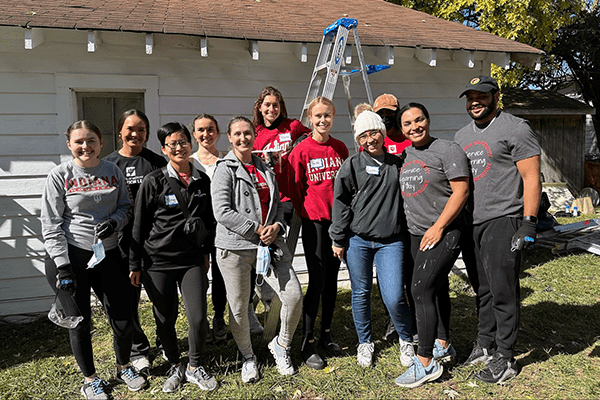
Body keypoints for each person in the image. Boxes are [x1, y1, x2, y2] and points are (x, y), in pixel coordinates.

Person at [42, 120, 147, 400]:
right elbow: (51, 224)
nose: (85, 146)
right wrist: (63, 265)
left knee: (123, 319)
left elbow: (126, 206)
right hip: (71, 256)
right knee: (80, 322)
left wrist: (114, 222)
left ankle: (123, 367)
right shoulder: (59, 175)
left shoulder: (112, 171)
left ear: (101, 143)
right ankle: (90, 379)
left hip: (108, 254)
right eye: (79, 142)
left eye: (91, 141)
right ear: (69, 145)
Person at [454, 76, 541, 384]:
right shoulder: (462, 136)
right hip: (472, 223)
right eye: (471, 97)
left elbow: (531, 177)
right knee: (483, 289)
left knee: (503, 290)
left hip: (504, 219)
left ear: (496, 96)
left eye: (482, 96)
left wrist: (529, 222)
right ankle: (485, 343)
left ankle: (505, 357)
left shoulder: (515, 128)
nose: (475, 101)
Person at [211, 116, 303, 382]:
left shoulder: (264, 166)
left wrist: (276, 226)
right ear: (229, 137)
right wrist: (256, 229)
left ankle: (282, 345)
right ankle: (248, 357)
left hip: (270, 245)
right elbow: (222, 212)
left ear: (254, 135)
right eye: (237, 134)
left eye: (247, 133)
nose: (243, 138)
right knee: (239, 307)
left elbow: (276, 205)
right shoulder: (224, 169)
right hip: (235, 248)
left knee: (294, 296)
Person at [130, 122, 217, 393]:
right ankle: (175, 363)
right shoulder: (153, 181)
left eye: (183, 142)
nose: (178, 148)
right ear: (164, 149)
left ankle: (194, 365)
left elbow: (208, 223)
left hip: (191, 260)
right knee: (165, 318)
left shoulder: (203, 180)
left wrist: (206, 254)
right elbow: (139, 225)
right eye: (172, 144)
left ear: (190, 144)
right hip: (158, 261)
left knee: (199, 317)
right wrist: (135, 263)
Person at [329, 111, 414, 369]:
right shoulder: (352, 165)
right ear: (359, 140)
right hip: (358, 241)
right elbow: (341, 202)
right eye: (363, 136)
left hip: (391, 241)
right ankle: (365, 342)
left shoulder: (398, 164)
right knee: (361, 293)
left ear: (383, 133)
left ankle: (406, 339)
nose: (370, 139)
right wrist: (338, 238)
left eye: (374, 133)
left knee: (394, 296)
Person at [394, 103, 470, 388]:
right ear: (401, 129)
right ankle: (443, 343)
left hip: (445, 231)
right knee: (436, 288)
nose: (414, 127)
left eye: (419, 120)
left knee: (420, 290)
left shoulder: (448, 150)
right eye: (407, 124)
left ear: (428, 119)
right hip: (416, 233)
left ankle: (424, 362)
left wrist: (439, 227)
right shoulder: (405, 154)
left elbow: (461, 190)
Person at [103, 109, 167, 374]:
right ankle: (139, 349)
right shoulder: (108, 165)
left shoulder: (155, 162)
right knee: (128, 301)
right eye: (130, 128)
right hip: (120, 244)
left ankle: (166, 340)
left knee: (161, 297)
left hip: (153, 243)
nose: (135, 134)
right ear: (120, 131)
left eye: (141, 129)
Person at [289, 97, 349, 370]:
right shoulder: (302, 151)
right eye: (317, 116)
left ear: (333, 117)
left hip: (337, 225)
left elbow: (348, 188)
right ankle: (307, 340)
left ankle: (326, 333)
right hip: (314, 223)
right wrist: (307, 212)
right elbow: (294, 186)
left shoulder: (339, 148)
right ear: (310, 119)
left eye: (327, 115)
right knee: (316, 279)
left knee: (332, 280)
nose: (322, 120)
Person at [190, 114, 229, 343]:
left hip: (222, 227)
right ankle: (200, 319)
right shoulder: (190, 162)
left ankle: (219, 317)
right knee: (198, 275)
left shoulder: (226, 160)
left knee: (221, 275)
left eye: (211, 129)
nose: (206, 134)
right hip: (198, 229)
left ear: (218, 133)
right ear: (194, 133)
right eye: (201, 130)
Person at [252, 85, 312, 217]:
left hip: (292, 193)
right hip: (269, 196)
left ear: (281, 107)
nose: (271, 109)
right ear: (260, 107)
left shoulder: (292, 126)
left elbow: (312, 136)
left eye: (275, 105)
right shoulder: (255, 134)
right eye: (267, 105)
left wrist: (301, 140)